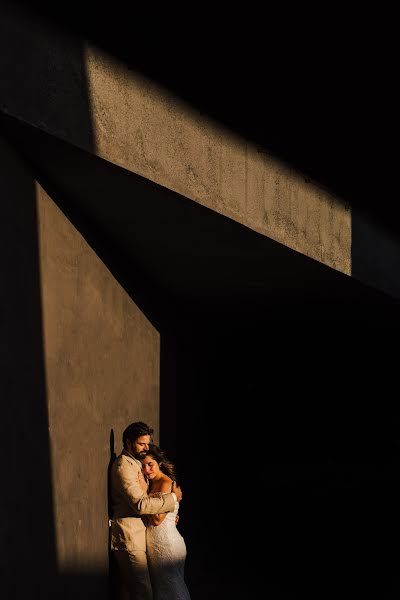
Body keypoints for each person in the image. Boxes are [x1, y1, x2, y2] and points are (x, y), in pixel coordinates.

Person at [109, 421, 182, 600]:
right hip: (129, 538)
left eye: (147, 444)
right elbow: (141, 505)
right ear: (128, 442)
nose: (145, 447)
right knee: (143, 592)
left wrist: (170, 515)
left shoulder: (136, 464)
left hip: (141, 538)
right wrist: (172, 499)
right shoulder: (123, 466)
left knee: (135, 591)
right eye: (141, 443)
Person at [141, 444, 191, 600]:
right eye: (143, 466)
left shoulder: (165, 483)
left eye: (150, 464)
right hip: (159, 543)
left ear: (159, 463)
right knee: (165, 590)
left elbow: (157, 519)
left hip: (165, 544)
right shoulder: (153, 483)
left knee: (172, 590)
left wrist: (143, 493)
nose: (147, 470)